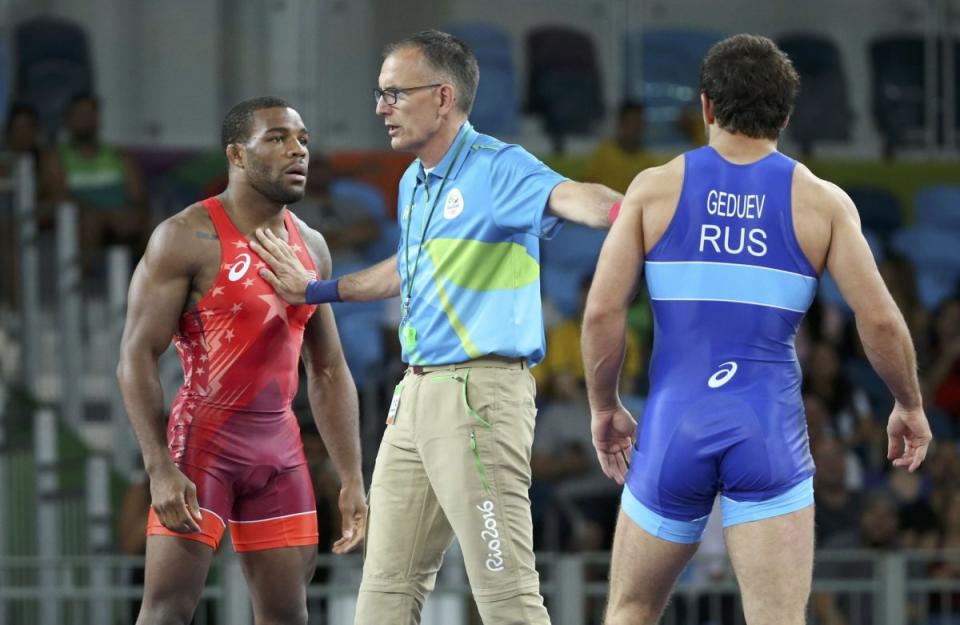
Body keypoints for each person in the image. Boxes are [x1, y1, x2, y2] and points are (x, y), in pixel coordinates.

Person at [249, 29, 621, 625]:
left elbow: (574, 198)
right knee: (383, 596)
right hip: (414, 397)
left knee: (505, 596)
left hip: (479, 397)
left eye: (394, 94)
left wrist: (635, 214)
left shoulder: (498, 167)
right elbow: (404, 270)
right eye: (380, 94)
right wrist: (314, 289)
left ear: (444, 97)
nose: (380, 108)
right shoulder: (412, 183)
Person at [581, 34, 933, 625]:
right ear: (787, 116)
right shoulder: (822, 203)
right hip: (765, 425)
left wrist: (604, 406)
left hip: (674, 424)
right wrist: (909, 404)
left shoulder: (653, 188)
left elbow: (600, 313)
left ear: (706, 108)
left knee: (631, 610)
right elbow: (878, 319)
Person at [116, 96, 366, 625]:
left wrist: (350, 476)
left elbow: (327, 368)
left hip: (279, 449)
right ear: (236, 154)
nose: (297, 150)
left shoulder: (312, 246)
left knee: (288, 616)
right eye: (277, 138)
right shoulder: (186, 237)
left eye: (302, 139)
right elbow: (136, 355)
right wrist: (158, 467)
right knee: (167, 611)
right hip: (203, 443)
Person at [45, 92, 149, 274]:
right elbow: (60, 196)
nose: (86, 120)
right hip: (85, 219)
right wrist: (105, 216)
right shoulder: (56, 158)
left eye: (90, 115)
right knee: (89, 223)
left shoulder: (120, 156)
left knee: (159, 226)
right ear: (69, 120)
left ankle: (152, 284)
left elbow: (138, 196)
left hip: (122, 219)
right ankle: (86, 284)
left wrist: (134, 214)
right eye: (80, 115)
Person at [583, 100, 659, 195]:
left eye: (639, 122)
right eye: (630, 122)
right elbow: (587, 187)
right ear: (620, 123)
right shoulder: (604, 154)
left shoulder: (647, 162)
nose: (634, 127)